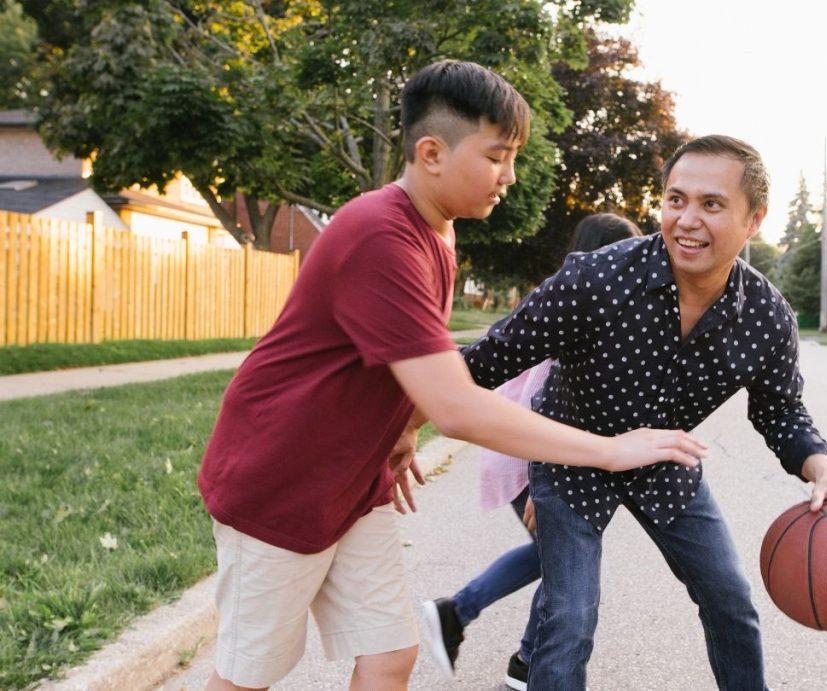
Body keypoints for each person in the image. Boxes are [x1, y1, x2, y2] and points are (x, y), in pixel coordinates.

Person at [195, 59, 706, 691]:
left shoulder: (437, 230)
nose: (510, 176)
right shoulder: (382, 233)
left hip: (350, 484)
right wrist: (609, 452)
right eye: (498, 157)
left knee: (390, 654)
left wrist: (403, 428)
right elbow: (460, 407)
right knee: (249, 676)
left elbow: (409, 366)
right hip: (280, 482)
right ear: (432, 152)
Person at [459, 134, 827, 690]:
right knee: (569, 617)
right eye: (675, 199)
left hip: (665, 456)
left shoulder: (765, 317)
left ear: (754, 219)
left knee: (730, 601)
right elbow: (482, 364)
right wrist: (393, 406)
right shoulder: (594, 278)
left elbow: (782, 412)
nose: (686, 219)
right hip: (572, 451)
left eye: (711, 204)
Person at [420, 213, 643, 690]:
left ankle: (524, 660)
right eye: (624, 255)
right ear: (601, 255)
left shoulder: (582, 304)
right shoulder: (574, 310)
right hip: (532, 458)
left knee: (558, 560)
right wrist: (546, 487)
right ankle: (459, 612)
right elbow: (541, 405)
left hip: (535, 456)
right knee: (562, 560)